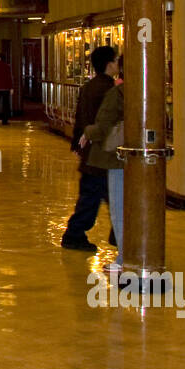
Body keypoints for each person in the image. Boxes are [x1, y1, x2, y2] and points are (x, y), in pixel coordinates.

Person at [60, 45, 118, 251]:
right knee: (106, 198)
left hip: (91, 154)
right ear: (109, 64)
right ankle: (78, 234)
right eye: (116, 60)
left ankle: (114, 235)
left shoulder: (90, 86)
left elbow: (80, 117)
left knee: (91, 197)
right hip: (102, 155)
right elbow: (105, 124)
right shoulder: (109, 89)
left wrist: (77, 143)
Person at [84, 57, 125, 272]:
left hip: (115, 158)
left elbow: (103, 126)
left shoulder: (116, 93)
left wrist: (88, 133)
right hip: (130, 159)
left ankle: (125, 257)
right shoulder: (133, 93)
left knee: (118, 207)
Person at [0, 53, 13, 125]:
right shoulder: (7, 67)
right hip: (5, 88)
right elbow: (9, 78)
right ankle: (5, 121)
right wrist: (11, 88)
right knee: (6, 105)